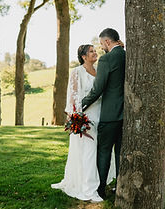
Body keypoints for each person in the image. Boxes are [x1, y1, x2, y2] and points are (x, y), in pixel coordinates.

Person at [51, 44, 115, 203]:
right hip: (85, 117)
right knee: (88, 152)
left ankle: (100, 180)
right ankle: (88, 188)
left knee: (100, 151)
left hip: (102, 115)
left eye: (95, 50)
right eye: (91, 51)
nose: (95, 53)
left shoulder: (99, 71)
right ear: (84, 56)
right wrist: (76, 117)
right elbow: (73, 96)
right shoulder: (77, 72)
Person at [82, 28, 125, 199]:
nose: (101, 48)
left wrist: (81, 104)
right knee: (121, 152)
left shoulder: (107, 59)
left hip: (110, 114)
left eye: (101, 44)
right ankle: (120, 187)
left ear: (107, 42)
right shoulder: (128, 55)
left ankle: (100, 189)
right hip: (125, 114)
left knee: (104, 151)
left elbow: (98, 89)